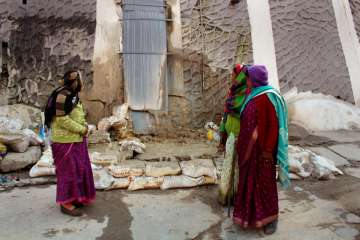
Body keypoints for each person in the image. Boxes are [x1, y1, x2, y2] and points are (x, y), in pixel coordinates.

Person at [232, 65, 289, 234]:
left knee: (265, 185)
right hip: (248, 151)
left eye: (249, 78)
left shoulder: (268, 97)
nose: (247, 81)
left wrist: (268, 150)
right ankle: (250, 216)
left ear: (256, 79)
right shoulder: (251, 94)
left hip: (262, 152)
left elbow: (273, 125)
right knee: (248, 183)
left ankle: (271, 219)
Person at [44, 70, 96, 216]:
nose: (82, 82)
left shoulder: (72, 95)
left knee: (79, 170)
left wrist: (84, 126)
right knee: (67, 173)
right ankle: (65, 203)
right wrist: (82, 129)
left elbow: (77, 114)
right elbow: (62, 120)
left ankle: (75, 197)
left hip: (76, 139)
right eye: (80, 79)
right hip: (65, 141)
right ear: (74, 81)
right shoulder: (62, 96)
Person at [218, 64, 248, 206]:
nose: (231, 77)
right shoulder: (234, 93)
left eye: (233, 74)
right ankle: (227, 197)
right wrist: (222, 136)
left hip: (241, 137)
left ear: (240, 77)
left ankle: (237, 198)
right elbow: (226, 114)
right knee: (229, 167)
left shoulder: (247, 95)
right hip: (230, 136)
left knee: (239, 169)